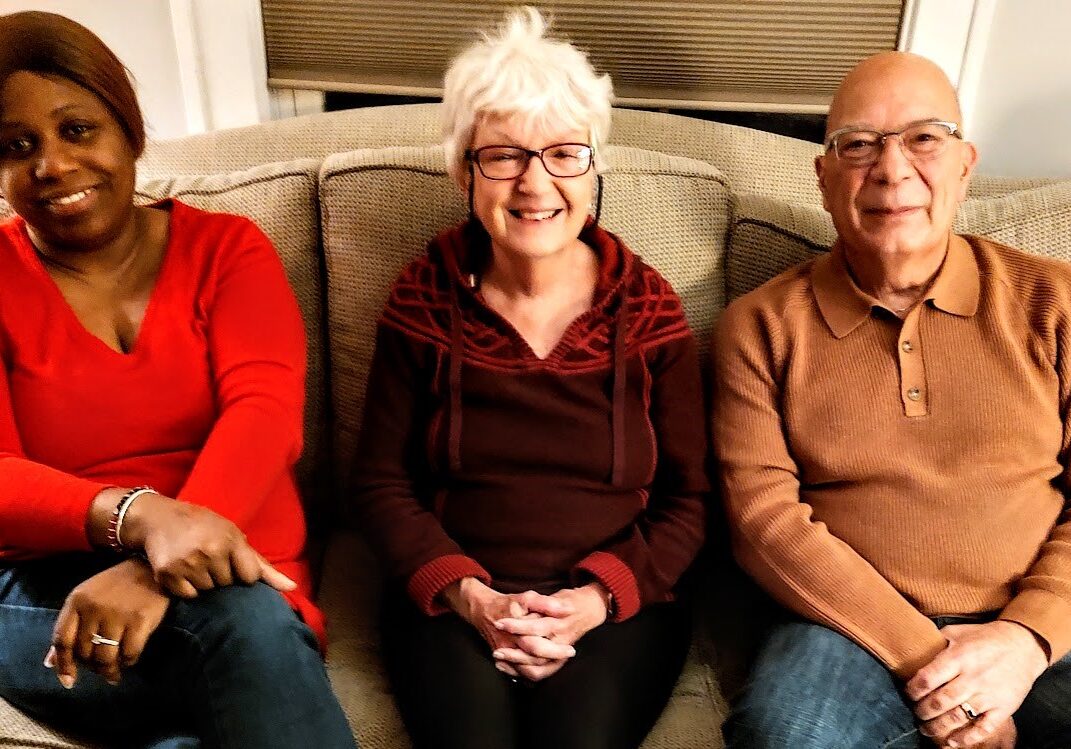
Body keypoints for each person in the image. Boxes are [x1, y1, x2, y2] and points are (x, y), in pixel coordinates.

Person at [350, 7, 708, 749]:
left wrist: (594, 599)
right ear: (463, 172)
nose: (535, 182)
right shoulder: (423, 295)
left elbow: (689, 498)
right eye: (503, 155)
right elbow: (381, 481)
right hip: (453, 597)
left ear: (593, 165)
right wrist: (469, 594)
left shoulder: (647, 307)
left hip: (613, 605)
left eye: (563, 153)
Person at [0, 11, 356, 748]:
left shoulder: (227, 250)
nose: (52, 166)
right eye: (15, 146)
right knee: (239, 625)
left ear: (127, 130)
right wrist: (140, 519)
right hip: (45, 594)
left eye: (77, 130)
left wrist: (155, 565)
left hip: (242, 574)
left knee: (216, 676)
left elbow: (265, 414)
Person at [714, 51, 1071, 749]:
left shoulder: (1053, 301)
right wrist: (941, 672)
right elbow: (762, 519)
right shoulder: (759, 325)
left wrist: (1027, 638)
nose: (890, 168)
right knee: (786, 732)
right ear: (822, 178)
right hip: (847, 632)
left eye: (922, 138)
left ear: (964, 163)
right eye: (858, 144)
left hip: (1038, 626)